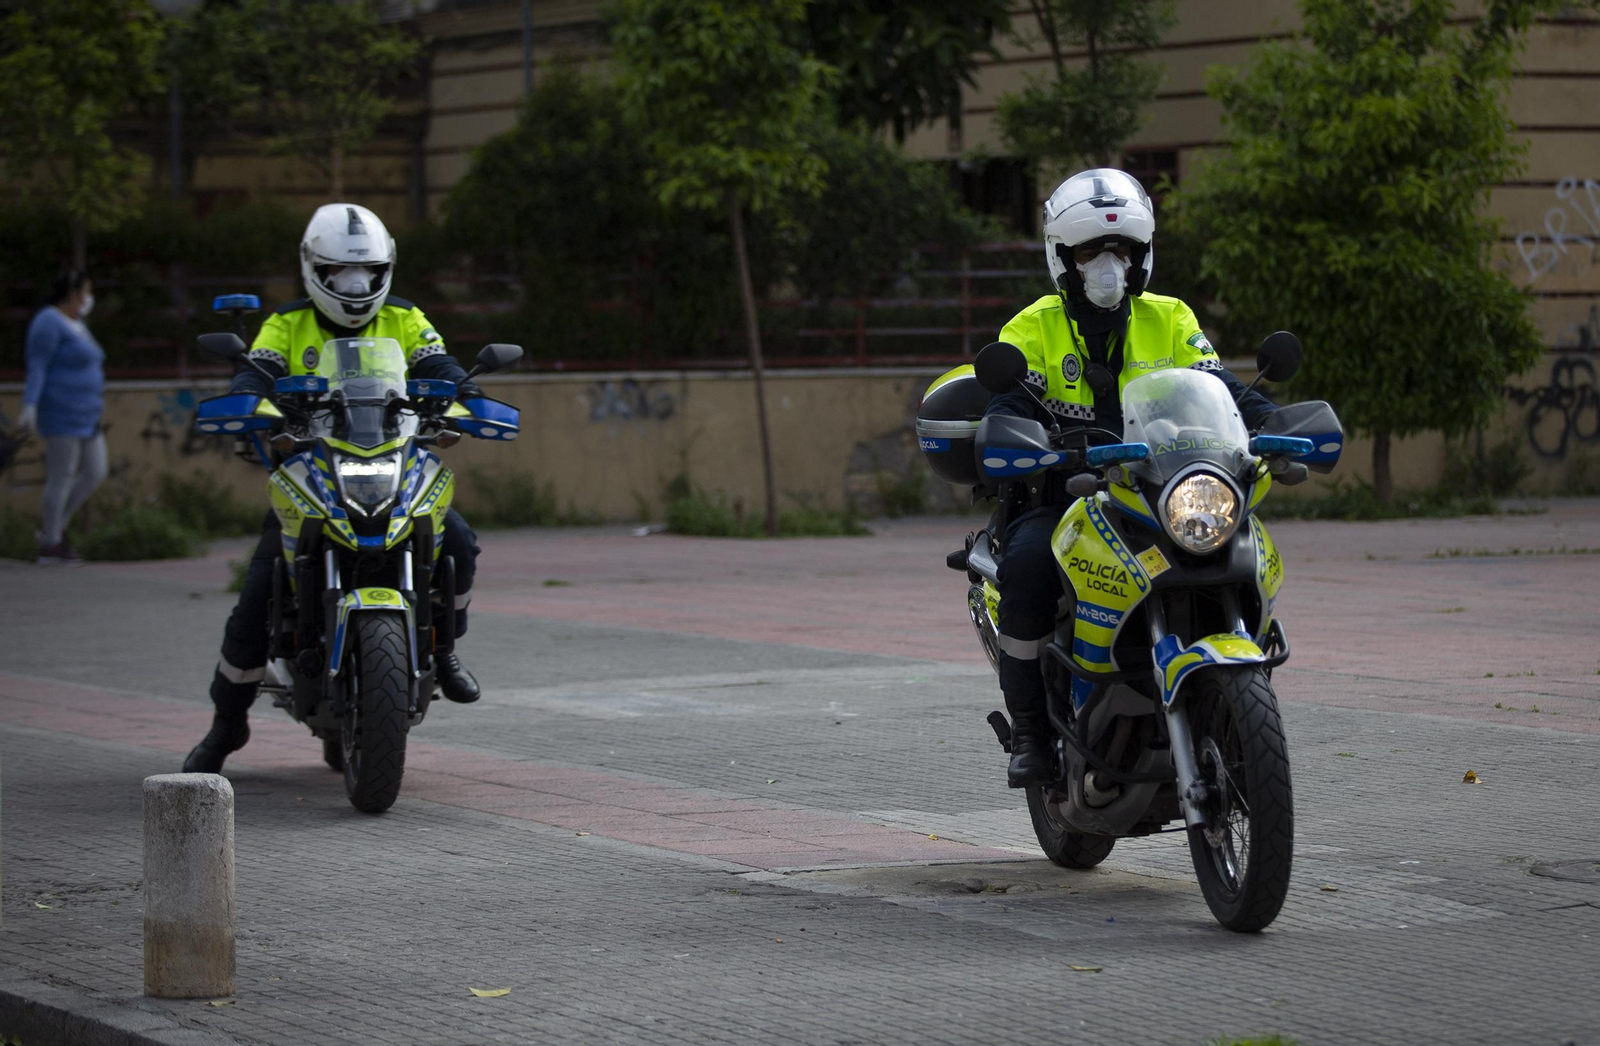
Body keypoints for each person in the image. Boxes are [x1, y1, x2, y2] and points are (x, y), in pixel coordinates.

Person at [986, 168, 1279, 787]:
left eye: (1122, 250)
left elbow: (1219, 386)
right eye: (1092, 250)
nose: (1108, 265)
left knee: (1233, 547)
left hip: (1159, 489)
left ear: (1143, 257)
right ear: (1062, 259)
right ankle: (1034, 732)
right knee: (1030, 565)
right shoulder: (1031, 327)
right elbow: (1005, 407)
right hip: (1066, 495)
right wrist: (1014, 437)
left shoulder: (1169, 318)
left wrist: (1270, 419)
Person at [184, 203, 487, 773]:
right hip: (314, 472)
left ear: (385, 269)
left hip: (395, 462)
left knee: (461, 542)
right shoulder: (287, 322)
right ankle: (226, 726)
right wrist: (252, 406)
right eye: (340, 273)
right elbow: (256, 370)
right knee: (257, 598)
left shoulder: (405, 316)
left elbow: (442, 365)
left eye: (369, 272)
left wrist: (463, 400)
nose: (356, 284)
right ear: (313, 270)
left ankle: (444, 649)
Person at [20, 269, 107, 565]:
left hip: (87, 412)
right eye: (86, 291)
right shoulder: (48, 320)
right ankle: (51, 543)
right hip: (61, 410)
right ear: (73, 293)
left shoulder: (78, 324)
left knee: (96, 470)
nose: (89, 298)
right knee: (63, 474)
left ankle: (54, 528)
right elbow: (38, 365)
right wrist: (29, 405)